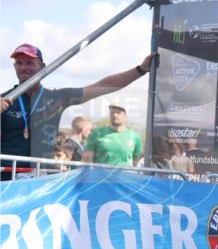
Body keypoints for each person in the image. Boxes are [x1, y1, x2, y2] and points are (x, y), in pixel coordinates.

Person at [1, 44, 154, 176]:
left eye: (29, 63)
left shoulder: (56, 98)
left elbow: (101, 87)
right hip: (8, 179)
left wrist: (140, 70)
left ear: (42, 67)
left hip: (41, 178)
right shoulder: (5, 100)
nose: (23, 67)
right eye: (19, 63)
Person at [82, 102, 143, 167]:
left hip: (124, 175)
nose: (115, 115)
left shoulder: (134, 136)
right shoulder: (97, 133)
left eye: (118, 112)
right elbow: (87, 159)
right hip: (102, 176)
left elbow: (136, 162)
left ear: (125, 116)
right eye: (112, 112)